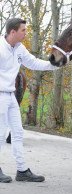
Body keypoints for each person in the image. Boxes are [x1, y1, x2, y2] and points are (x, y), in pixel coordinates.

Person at [0, 18, 57, 183]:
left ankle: (22, 170)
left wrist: (54, 65)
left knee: (17, 133)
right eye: (23, 30)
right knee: (0, 133)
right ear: (12, 32)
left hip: (11, 96)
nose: (26, 33)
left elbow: (33, 62)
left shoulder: (19, 48)